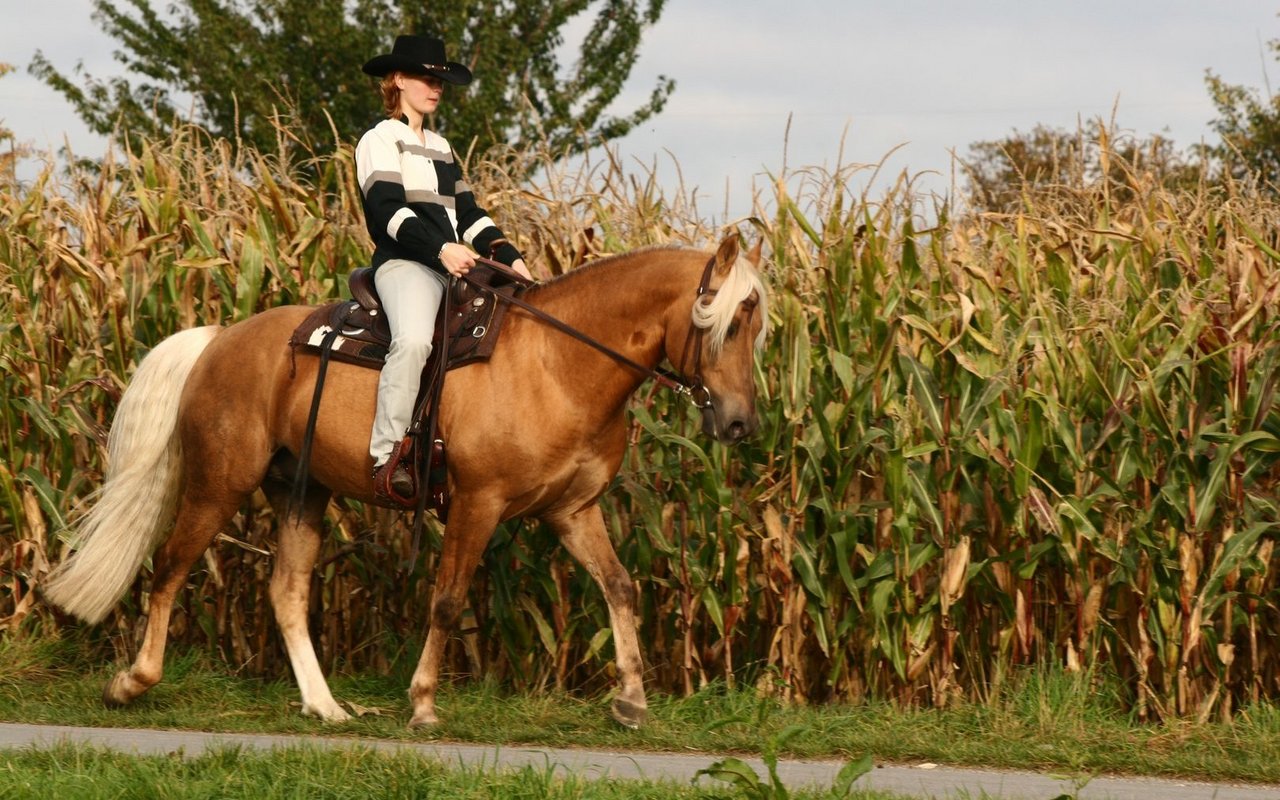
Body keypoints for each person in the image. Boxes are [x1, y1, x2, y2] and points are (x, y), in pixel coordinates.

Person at [356, 33, 532, 499]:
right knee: (413, 341)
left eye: (439, 80)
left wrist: (512, 258)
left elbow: (469, 216)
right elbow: (387, 211)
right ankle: (388, 455)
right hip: (404, 264)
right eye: (424, 78)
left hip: (453, 266)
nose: (435, 87)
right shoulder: (380, 139)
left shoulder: (441, 145)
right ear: (397, 79)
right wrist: (440, 250)